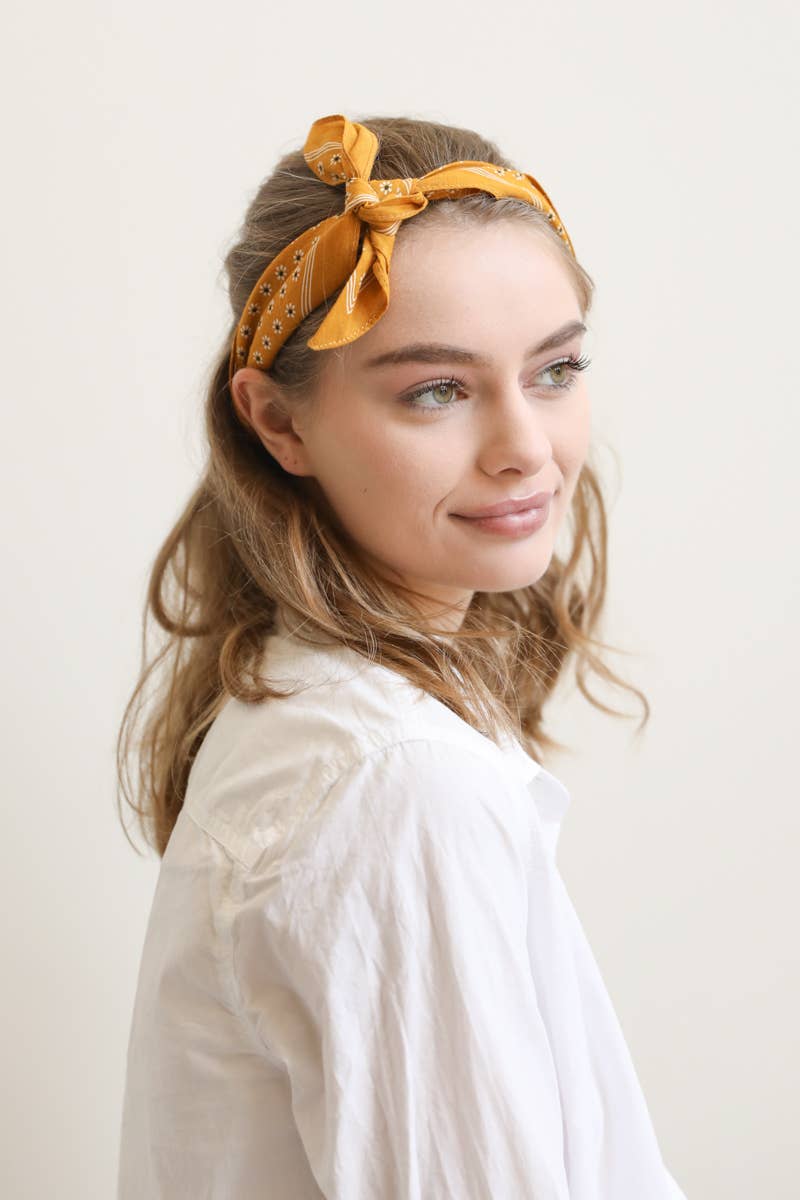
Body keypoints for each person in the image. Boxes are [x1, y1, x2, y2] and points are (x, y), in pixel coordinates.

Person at [116, 112, 688, 1198]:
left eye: (556, 369)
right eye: (437, 390)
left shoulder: (333, 726)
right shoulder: (393, 784)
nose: (526, 448)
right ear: (279, 425)